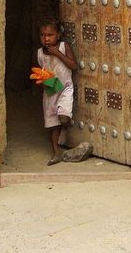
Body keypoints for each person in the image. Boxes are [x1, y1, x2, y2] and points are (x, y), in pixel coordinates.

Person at [36, 19, 91, 165]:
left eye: (50, 35)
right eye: (42, 35)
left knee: (63, 117)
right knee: (52, 124)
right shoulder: (40, 53)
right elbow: (42, 70)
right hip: (51, 89)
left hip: (65, 88)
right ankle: (56, 152)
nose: (46, 38)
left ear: (58, 35)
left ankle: (65, 128)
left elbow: (73, 66)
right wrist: (42, 80)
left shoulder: (63, 47)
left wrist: (57, 54)